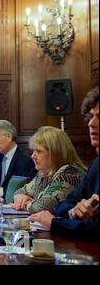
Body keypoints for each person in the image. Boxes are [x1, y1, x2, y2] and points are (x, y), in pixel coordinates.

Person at [29, 86, 99, 242]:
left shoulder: (70, 172)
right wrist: (74, 211)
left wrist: (54, 223)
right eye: (91, 116)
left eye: (99, 117)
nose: (91, 123)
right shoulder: (96, 165)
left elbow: (96, 229)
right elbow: (65, 204)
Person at [11, 126, 86, 214]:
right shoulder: (43, 173)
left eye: (38, 151)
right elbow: (19, 192)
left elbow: (42, 207)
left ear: (55, 153)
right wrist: (20, 197)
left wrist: (27, 203)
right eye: (33, 151)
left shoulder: (70, 174)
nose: (33, 156)